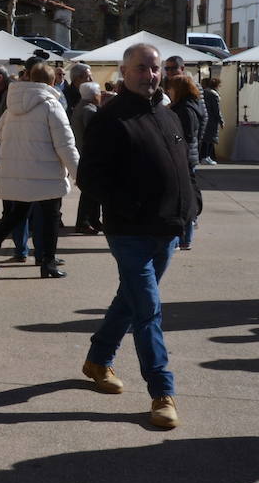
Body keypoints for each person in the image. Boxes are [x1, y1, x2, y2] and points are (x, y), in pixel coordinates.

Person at [77, 43, 199, 429]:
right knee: (148, 310)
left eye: (156, 68)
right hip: (130, 232)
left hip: (166, 229)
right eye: (143, 68)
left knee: (129, 301)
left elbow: (182, 166)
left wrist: (191, 205)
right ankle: (162, 391)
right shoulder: (110, 118)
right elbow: (89, 178)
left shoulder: (167, 114)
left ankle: (98, 359)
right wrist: (128, 208)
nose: (151, 75)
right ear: (124, 72)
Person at [0, 60, 78, 279]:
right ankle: (47, 262)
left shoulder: (13, 104)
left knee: (17, 213)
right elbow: (65, 143)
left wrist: (20, 145)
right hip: (45, 172)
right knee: (50, 217)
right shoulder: (51, 104)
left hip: (20, 169)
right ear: (51, 81)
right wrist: (79, 174)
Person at [165, 75, 207, 250]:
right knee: (186, 197)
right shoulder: (193, 105)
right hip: (189, 155)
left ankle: (183, 238)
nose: (169, 91)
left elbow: (186, 136)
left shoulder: (184, 108)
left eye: (171, 88)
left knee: (183, 199)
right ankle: (184, 238)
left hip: (184, 157)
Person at [70, 81, 103, 234]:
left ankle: (93, 220)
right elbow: (95, 134)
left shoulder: (80, 107)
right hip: (90, 154)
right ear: (94, 95)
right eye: (99, 93)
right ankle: (84, 221)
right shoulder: (90, 110)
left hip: (83, 153)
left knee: (92, 189)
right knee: (90, 191)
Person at [200, 77, 223, 165]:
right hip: (212, 120)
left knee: (206, 138)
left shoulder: (204, 92)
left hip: (205, 118)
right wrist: (221, 120)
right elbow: (216, 109)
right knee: (209, 139)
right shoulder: (213, 94)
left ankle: (206, 157)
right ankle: (206, 157)